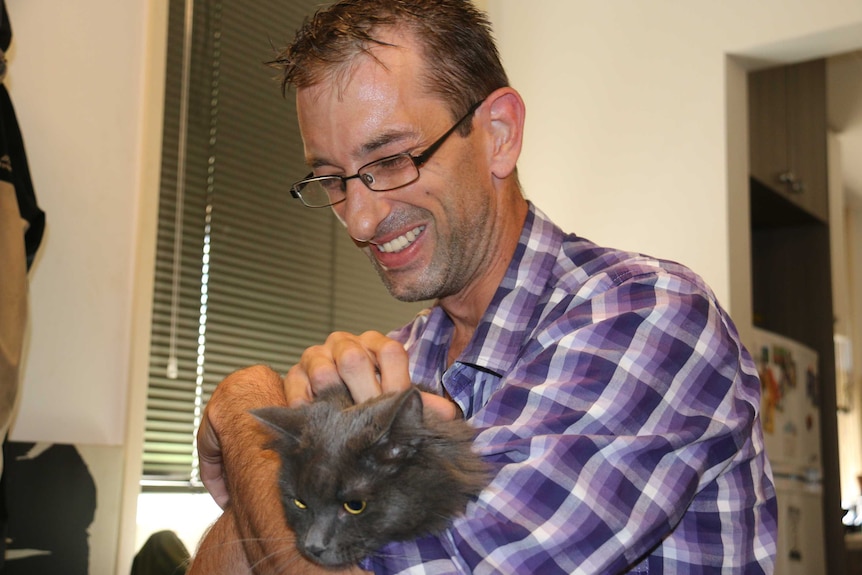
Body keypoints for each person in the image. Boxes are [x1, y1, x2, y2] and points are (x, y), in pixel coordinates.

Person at [189, 1, 778, 573]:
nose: (360, 220)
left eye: (392, 159)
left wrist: (246, 406)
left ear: (498, 133)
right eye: (330, 180)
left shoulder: (650, 316)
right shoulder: (394, 364)